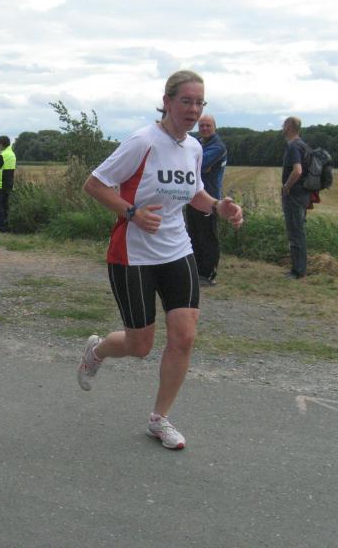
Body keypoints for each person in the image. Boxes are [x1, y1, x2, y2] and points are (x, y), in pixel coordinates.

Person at [77, 70, 243, 450]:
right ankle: (97, 351)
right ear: (167, 102)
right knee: (140, 345)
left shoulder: (194, 148)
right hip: (133, 254)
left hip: (177, 250)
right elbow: (94, 184)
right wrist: (131, 212)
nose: (193, 110)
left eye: (199, 103)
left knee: (184, 336)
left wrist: (218, 207)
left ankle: (159, 419)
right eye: (186, 101)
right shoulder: (143, 141)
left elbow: (195, 193)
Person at [184, 114, 228, 285]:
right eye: (201, 125)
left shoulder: (218, 146)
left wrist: (194, 163)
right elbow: (189, 161)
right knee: (193, 234)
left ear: (214, 127)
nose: (204, 128)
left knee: (207, 236)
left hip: (209, 198)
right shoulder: (198, 142)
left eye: (208, 125)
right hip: (193, 196)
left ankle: (208, 274)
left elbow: (197, 164)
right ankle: (196, 270)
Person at [280, 116, 311, 279]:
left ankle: (298, 271)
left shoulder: (293, 146)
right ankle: (299, 268)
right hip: (303, 194)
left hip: (294, 196)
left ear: (289, 127)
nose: (282, 127)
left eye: (284, 125)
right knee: (299, 231)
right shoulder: (303, 145)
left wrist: (286, 186)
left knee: (295, 232)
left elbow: (297, 170)